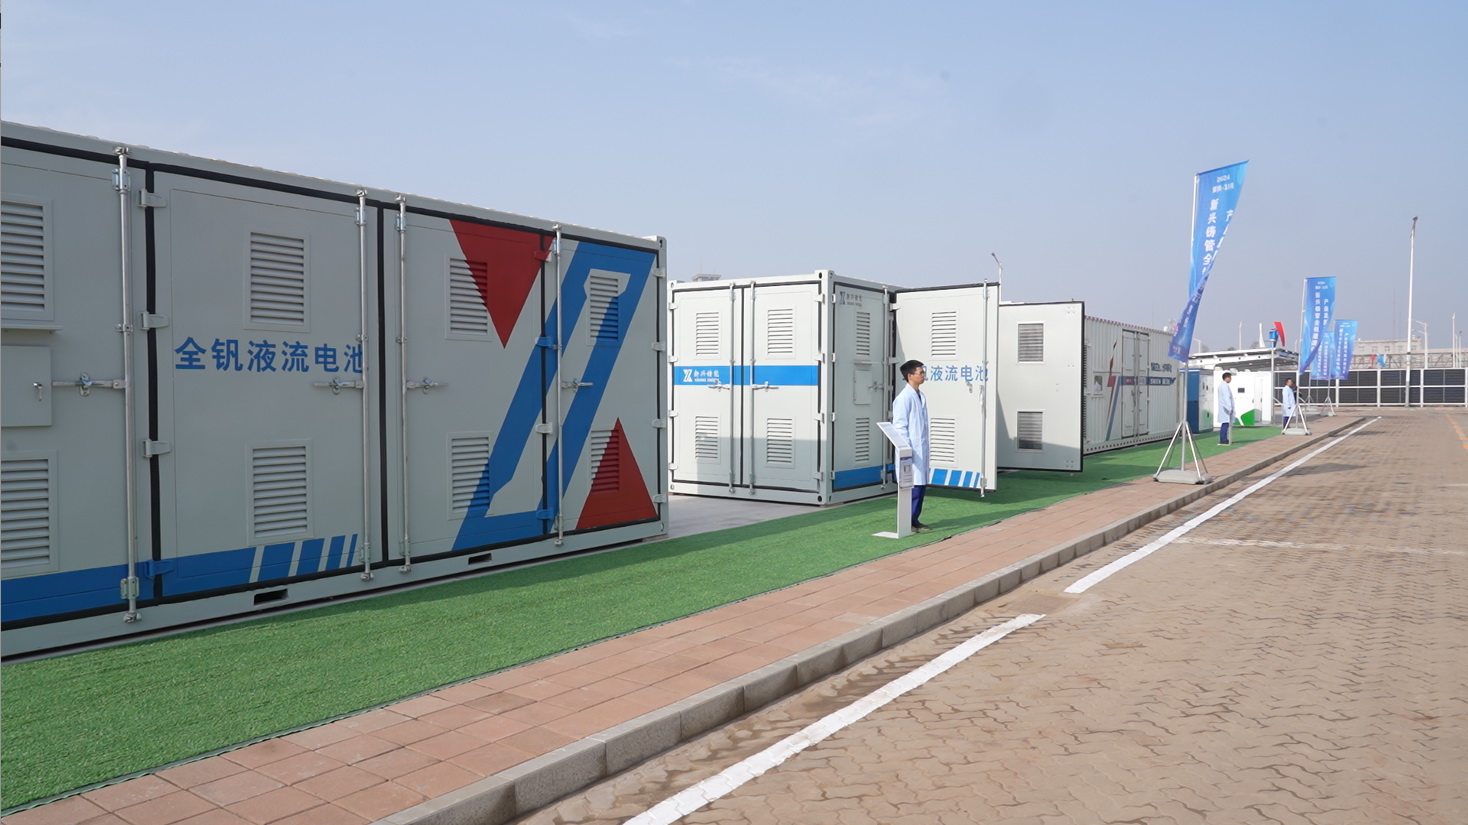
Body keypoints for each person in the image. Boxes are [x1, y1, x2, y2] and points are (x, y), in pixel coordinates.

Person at [892, 359, 931, 531]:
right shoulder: (903, 398)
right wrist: (907, 450)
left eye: (923, 372)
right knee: (912, 488)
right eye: (920, 373)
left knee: (920, 486)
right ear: (910, 376)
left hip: (921, 449)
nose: (923, 375)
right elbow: (900, 427)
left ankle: (915, 519)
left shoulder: (921, 396)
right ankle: (907, 521)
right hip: (910, 450)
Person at [1217, 371, 1236, 444]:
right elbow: (1226, 398)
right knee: (1225, 424)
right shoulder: (1224, 386)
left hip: (1225, 408)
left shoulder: (1223, 385)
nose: (1231, 379)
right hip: (1226, 409)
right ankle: (1223, 439)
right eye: (1230, 378)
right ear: (1227, 378)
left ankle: (1224, 438)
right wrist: (1229, 408)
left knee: (1225, 424)